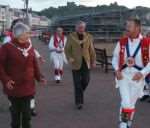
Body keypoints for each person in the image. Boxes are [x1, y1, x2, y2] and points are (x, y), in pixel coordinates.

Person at [0, 22, 46, 128]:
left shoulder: (30, 46)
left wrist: (39, 77)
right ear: (20, 34)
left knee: (27, 114)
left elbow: (34, 63)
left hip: (28, 86)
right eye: (27, 33)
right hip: (14, 86)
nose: (29, 35)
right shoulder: (6, 47)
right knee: (15, 115)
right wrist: (6, 79)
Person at [112, 18, 150, 128]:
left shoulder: (147, 43)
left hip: (137, 78)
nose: (126, 28)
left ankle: (127, 123)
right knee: (126, 102)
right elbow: (115, 57)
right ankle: (123, 124)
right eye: (126, 26)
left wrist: (142, 73)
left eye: (129, 26)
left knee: (131, 103)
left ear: (137, 28)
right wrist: (116, 69)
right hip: (123, 76)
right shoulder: (122, 42)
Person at [65, 21, 96, 110]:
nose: (81, 29)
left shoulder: (89, 37)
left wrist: (93, 61)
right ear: (76, 28)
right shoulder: (71, 37)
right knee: (77, 83)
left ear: (84, 28)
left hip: (86, 62)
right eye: (79, 27)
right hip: (75, 63)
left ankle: (79, 93)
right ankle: (79, 102)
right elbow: (67, 50)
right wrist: (69, 57)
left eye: (82, 27)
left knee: (86, 80)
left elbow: (92, 50)